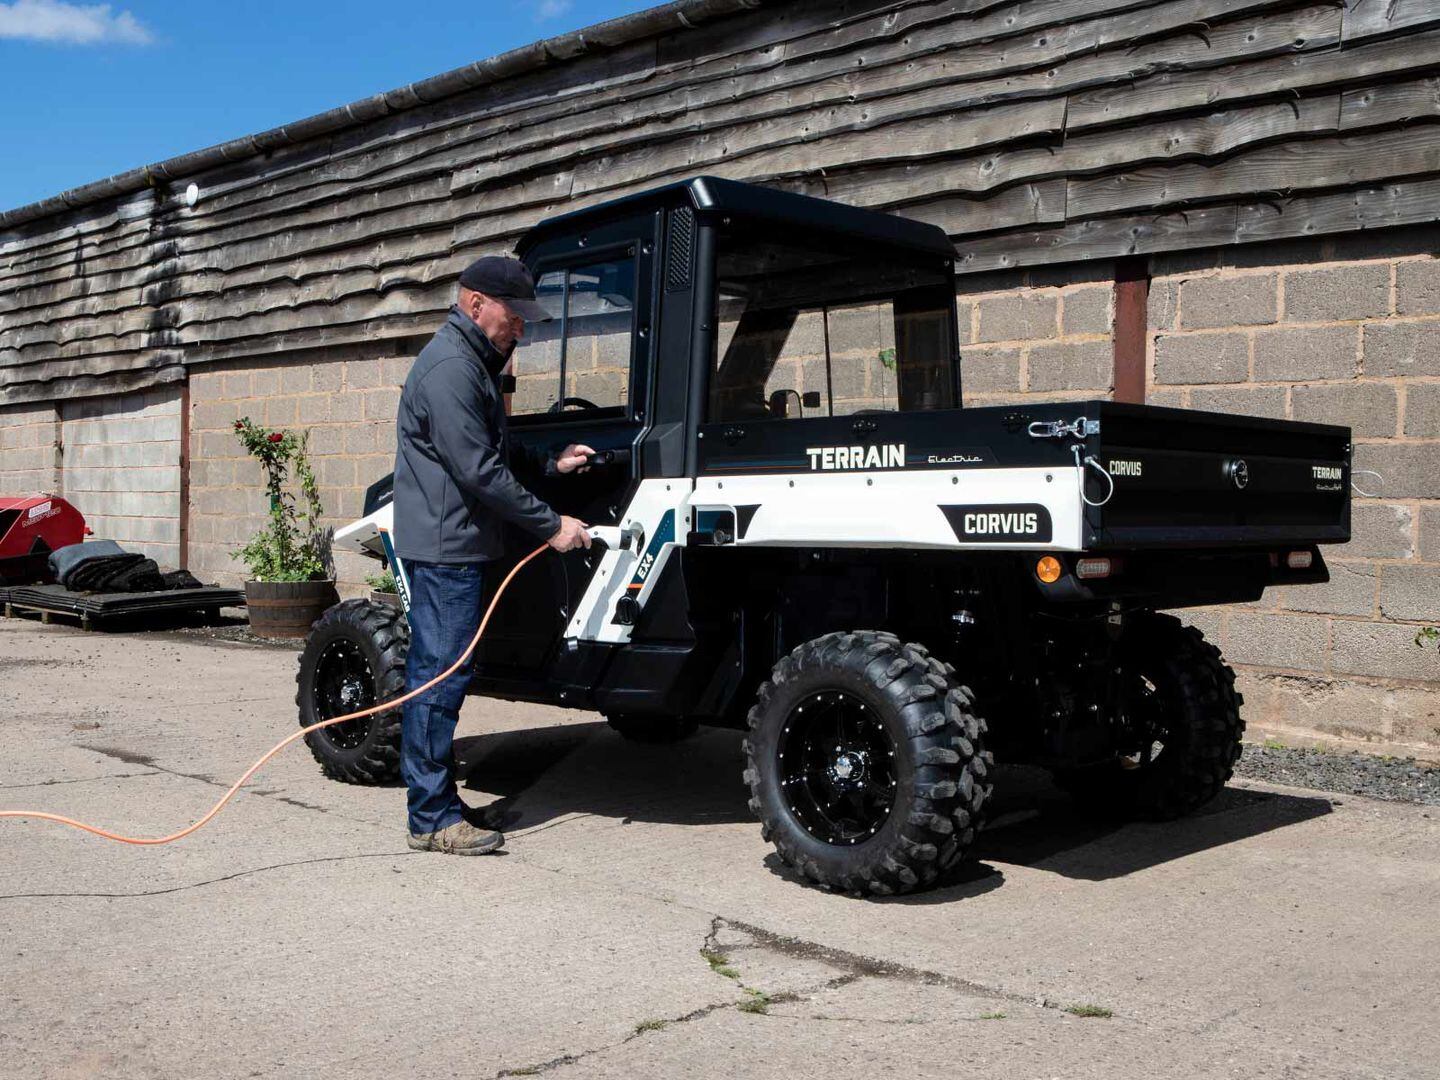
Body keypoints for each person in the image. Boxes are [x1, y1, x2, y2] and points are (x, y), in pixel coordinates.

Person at [391, 255, 592, 855]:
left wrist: (550, 463)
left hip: (460, 542)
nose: (522, 329)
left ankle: (436, 804)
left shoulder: (472, 364)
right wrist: (551, 523)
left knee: (444, 675)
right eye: (515, 316)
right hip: (448, 549)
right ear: (475, 304)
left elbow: (494, 450)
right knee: (439, 679)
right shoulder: (452, 369)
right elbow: (477, 470)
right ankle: (430, 818)